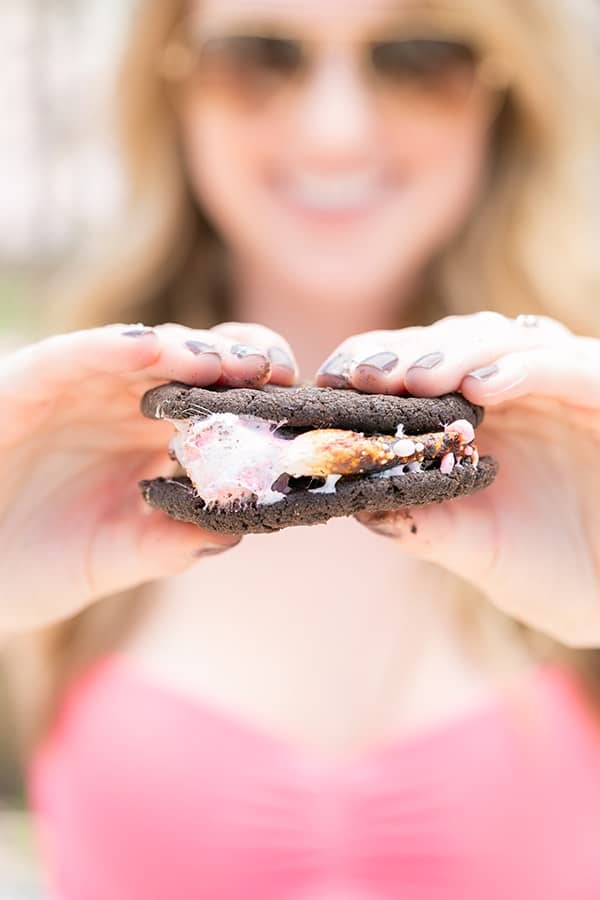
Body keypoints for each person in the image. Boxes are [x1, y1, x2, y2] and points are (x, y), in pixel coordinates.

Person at [2, 0, 600, 897]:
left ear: (505, 91)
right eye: (258, 56)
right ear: (172, 87)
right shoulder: (43, 440)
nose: (335, 133)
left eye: (419, 56)